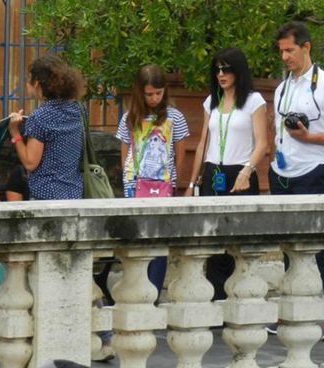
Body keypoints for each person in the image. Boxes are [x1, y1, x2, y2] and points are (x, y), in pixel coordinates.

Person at [271, 21, 324, 298]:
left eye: (290, 50)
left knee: (321, 245)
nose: (285, 57)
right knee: (287, 245)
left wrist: (311, 139)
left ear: (306, 47)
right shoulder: (282, 88)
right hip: (283, 173)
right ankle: (290, 304)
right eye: (281, 51)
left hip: (314, 171)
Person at [186, 48, 270, 300]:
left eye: (226, 69)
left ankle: (244, 297)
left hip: (241, 172)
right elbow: (203, 142)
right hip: (214, 171)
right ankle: (217, 298)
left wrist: (247, 171)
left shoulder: (254, 101)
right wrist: (192, 182)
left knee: (241, 238)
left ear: (238, 71)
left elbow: (262, 143)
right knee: (213, 239)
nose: (221, 74)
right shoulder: (211, 101)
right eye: (217, 69)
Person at [115, 64, 189, 293]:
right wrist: (128, 180)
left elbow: (180, 151)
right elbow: (125, 151)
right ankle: (137, 289)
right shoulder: (130, 118)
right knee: (137, 241)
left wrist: (172, 181)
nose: (155, 98)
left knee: (158, 242)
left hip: (163, 186)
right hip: (135, 185)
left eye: (159, 93)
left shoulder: (175, 117)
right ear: (140, 92)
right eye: (149, 94)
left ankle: (154, 292)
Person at [8, 54, 86, 200]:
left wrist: (15, 132)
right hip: (74, 192)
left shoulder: (40, 117)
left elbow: (30, 163)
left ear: (36, 83)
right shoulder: (78, 110)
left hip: (46, 195)